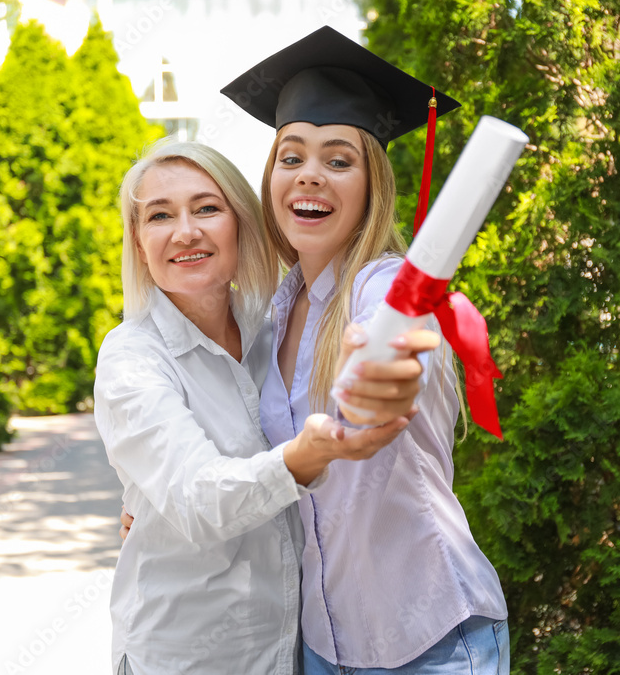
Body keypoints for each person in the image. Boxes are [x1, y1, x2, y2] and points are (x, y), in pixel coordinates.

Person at [219, 26, 511, 674]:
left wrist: (387, 372)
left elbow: (402, 340)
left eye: (338, 159)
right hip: (324, 642)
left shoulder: (384, 288)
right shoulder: (271, 315)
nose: (310, 176)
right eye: (291, 157)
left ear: (371, 181)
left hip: (431, 639)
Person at [93, 139, 438, 675]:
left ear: (240, 224)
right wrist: (300, 459)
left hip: (293, 653)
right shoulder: (131, 358)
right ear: (139, 245)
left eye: (207, 208)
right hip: (189, 656)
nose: (186, 231)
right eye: (159, 216)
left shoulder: (275, 328)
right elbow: (196, 496)